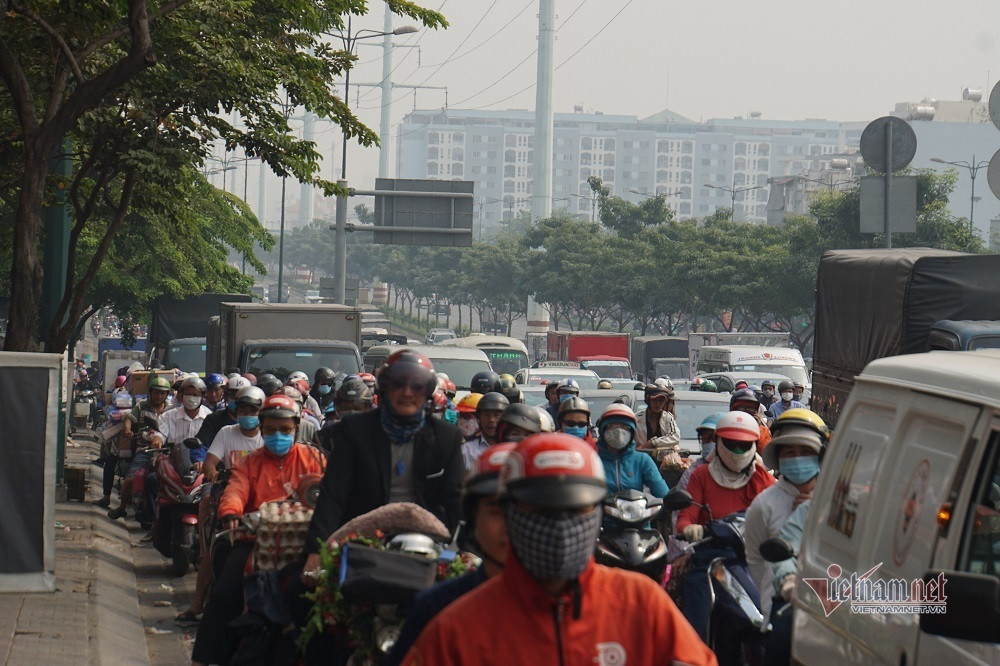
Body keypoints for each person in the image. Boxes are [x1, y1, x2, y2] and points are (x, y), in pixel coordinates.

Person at [402, 433, 717, 666]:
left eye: (576, 511)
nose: (561, 528)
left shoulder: (640, 604)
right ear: (510, 514)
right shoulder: (457, 628)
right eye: (542, 511)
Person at [301, 350, 465, 584]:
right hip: (361, 538)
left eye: (417, 385)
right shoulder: (353, 431)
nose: (407, 393)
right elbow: (333, 495)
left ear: (427, 392)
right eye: (398, 384)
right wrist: (315, 551)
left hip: (429, 543)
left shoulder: (447, 437)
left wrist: (458, 552)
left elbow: (454, 502)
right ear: (384, 389)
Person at [190, 394, 326, 666]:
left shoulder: (315, 459)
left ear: (296, 428)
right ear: (262, 430)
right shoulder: (250, 462)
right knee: (224, 594)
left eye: (284, 430)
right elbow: (236, 490)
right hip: (255, 539)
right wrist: (230, 512)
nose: (278, 435)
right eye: (272, 430)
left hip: (307, 543)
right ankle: (202, 659)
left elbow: (331, 494)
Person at [387, 443, 516, 665]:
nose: (510, 525)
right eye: (496, 510)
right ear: (473, 517)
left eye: (526, 510)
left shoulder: (585, 603)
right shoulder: (436, 608)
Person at [676, 410, 775, 640]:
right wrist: (688, 527)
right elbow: (686, 515)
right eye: (731, 444)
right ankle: (696, 653)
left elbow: (778, 513)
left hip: (753, 559)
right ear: (719, 441)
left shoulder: (763, 479)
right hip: (709, 558)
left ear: (754, 446)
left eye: (744, 445)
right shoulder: (701, 474)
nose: (737, 451)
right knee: (696, 605)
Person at [177, 385, 266, 626]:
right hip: (226, 493)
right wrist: (213, 473)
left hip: (259, 500)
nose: (247, 414)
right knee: (212, 543)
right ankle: (196, 603)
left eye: (253, 410)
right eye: (243, 409)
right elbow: (210, 463)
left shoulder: (268, 437)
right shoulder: (227, 432)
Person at [745, 409, 827, 620]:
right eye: (790, 453)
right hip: (783, 608)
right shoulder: (763, 505)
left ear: (820, 456)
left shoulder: (836, 500)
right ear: (779, 458)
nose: (798, 458)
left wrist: (817, 508)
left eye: (805, 451)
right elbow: (756, 559)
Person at [102, 376, 170, 514]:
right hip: (144, 450)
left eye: (162, 393)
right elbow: (129, 418)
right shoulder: (142, 405)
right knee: (129, 479)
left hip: (165, 451)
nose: (159, 396)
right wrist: (127, 429)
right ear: (151, 392)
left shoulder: (171, 409)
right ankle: (121, 507)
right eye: (156, 392)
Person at [594, 403, 668, 497]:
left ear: (632, 432)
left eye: (625, 427)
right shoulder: (593, 460)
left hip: (635, 510)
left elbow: (661, 491)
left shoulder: (641, 460)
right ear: (603, 430)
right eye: (613, 426)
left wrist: (669, 503)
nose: (619, 432)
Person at [196, 376, 251, 450]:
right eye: (233, 396)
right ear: (225, 396)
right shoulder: (213, 419)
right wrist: (199, 460)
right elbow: (201, 445)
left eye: (243, 397)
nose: (238, 401)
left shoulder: (257, 420)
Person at [461, 392, 509, 470]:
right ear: (479, 418)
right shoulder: (467, 450)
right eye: (486, 415)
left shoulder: (513, 449)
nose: (491, 420)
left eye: (496, 415)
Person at [634, 380, 681, 458]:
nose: (658, 404)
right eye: (655, 400)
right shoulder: (636, 418)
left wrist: (653, 442)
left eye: (661, 401)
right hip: (640, 460)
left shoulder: (668, 418)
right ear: (648, 400)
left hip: (663, 462)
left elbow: (675, 437)